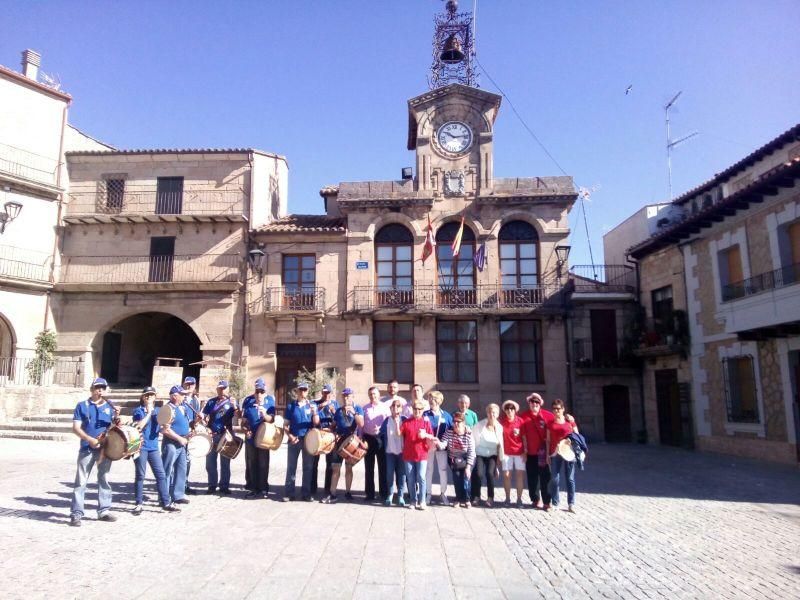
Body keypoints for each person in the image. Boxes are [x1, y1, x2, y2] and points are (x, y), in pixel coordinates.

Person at [69, 377, 119, 526]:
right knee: (81, 481)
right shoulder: (82, 406)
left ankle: (103, 511)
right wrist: (89, 439)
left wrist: (117, 418)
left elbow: (114, 428)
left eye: (103, 388)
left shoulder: (110, 407)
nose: (100, 390)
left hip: (105, 449)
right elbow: (76, 428)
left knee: (104, 479)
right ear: (91, 389)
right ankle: (76, 513)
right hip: (87, 448)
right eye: (97, 387)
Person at [132, 386, 179, 514]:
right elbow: (138, 426)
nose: (149, 397)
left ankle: (166, 502)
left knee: (161, 474)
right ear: (143, 397)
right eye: (147, 395)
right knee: (140, 475)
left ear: (155, 397)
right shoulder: (138, 411)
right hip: (140, 447)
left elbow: (163, 427)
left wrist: (167, 424)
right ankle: (138, 503)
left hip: (153, 448)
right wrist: (148, 413)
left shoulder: (159, 410)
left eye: (151, 395)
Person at [323, 387, 364, 503]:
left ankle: (348, 492)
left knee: (349, 468)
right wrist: (330, 431)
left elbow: (361, 424)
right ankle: (332, 493)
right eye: (344, 396)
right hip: (339, 442)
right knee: (335, 468)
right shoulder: (338, 410)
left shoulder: (358, 409)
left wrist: (353, 412)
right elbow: (334, 425)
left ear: (352, 397)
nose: (346, 398)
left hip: (352, 442)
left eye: (348, 395)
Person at [240, 378, 276, 499]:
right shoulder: (248, 400)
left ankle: (264, 488)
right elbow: (243, 421)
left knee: (263, 463)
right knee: (252, 463)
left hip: (264, 437)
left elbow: (272, 419)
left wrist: (264, 414)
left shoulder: (270, 400)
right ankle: (253, 488)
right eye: (257, 391)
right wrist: (246, 429)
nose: (259, 393)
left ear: (265, 389)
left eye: (261, 391)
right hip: (251, 437)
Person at [161, 385, 193, 506]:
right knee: (167, 470)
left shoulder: (182, 408)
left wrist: (195, 424)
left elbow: (186, 423)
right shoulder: (166, 409)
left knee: (181, 469)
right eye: (182, 394)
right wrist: (179, 438)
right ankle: (164, 496)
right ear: (174, 396)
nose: (184, 396)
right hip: (171, 443)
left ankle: (178, 495)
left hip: (182, 442)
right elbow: (165, 430)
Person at [283, 381, 315, 501]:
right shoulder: (291, 406)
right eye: (300, 390)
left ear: (307, 392)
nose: (302, 392)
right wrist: (290, 436)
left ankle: (306, 494)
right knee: (291, 467)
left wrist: (314, 412)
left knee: (308, 467)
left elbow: (316, 423)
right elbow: (285, 425)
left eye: (305, 390)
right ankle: (289, 493)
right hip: (294, 440)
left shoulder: (311, 406)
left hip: (308, 440)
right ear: (297, 391)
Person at [546, 399, 580, 513]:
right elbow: (548, 440)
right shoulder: (550, 423)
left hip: (568, 453)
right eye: (555, 409)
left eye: (559, 409)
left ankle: (571, 504)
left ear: (563, 409)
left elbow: (577, 435)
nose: (557, 411)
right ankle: (555, 503)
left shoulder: (569, 422)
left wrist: (573, 422)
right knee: (554, 479)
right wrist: (547, 454)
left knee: (570, 478)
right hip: (555, 453)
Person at [202, 380, 236, 495]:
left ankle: (224, 486)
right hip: (212, 435)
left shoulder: (232, 402)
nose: (222, 390)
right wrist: (204, 424)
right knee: (210, 462)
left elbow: (240, 415)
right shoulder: (211, 402)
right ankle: (212, 485)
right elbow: (203, 415)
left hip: (225, 435)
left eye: (224, 388)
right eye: (220, 388)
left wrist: (236, 406)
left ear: (228, 389)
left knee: (225, 462)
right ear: (217, 389)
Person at [521, 393, 554, 509]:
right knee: (532, 477)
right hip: (530, 452)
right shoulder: (523, 417)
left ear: (540, 404)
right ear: (529, 403)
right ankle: (535, 499)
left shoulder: (548, 416)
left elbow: (560, 423)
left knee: (546, 477)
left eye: (537, 402)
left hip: (544, 453)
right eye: (532, 402)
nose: (534, 404)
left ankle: (547, 501)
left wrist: (571, 421)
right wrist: (523, 451)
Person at [400, 400, 434, 510]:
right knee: (410, 478)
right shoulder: (406, 422)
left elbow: (431, 436)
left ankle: (422, 500)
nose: (417, 411)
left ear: (422, 410)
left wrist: (426, 435)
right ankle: (413, 501)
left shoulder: (426, 422)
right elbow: (399, 434)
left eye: (419, 409)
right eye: (415, 409)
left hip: (422, 454)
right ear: (412, 410)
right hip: (408, 454)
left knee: (421, 477)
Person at [470, 403, 504, 507]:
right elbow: (472, 439)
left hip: (492, 455)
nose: (491, 414)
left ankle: (490, 497)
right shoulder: (479, 425)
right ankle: (476, 496)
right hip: (480, 453)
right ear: (487, 413)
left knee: (490, 474)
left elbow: (500, 444)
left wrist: (499, 459)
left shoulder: (499, 427)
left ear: (497, 414)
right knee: (478, 474)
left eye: (494, 412)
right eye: (489, 412)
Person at [423, 390, 453, 506]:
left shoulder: (446, 415)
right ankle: (428, 493)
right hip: (429, 447)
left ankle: (443, 493)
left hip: (441, 447)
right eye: (430, 399)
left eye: (434, 399)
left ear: (440, 401)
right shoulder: (425, 414)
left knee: (443, 470)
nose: (431, 401)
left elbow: (451, 430)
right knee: (428, 470)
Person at [442, 412, 476, 508]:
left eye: (459, 422)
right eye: (454, 421)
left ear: (464, 423)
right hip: (454, 459)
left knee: (466, 478)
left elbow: (471, 452)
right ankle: (458, 498)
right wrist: (439, 444)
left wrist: (468, 467)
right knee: (457, 478)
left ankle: (467, 499)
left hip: (467, 458)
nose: (456, 424)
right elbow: (444, 442)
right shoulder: (449, 431)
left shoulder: (469, 434)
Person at [310, 384, 338, 497]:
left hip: (330, 435)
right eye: (325, 393)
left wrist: (334, 411)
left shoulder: (335, 404)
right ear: (322, 393)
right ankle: (312, 488)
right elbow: (312, 418)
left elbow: (339, 419)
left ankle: (327, 488)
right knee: (314, 463)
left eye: (329, 393)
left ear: (331, 393)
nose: (327, 395)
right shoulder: (315, 403)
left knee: (330, 463)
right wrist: (321, 406)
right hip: (318, 434)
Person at [362, 385, 388, 503]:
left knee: (383, 467)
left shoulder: (385, 407)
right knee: (369, 467)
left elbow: (389, 423)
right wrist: (361, 439)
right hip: (368, 439)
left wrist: (383, 432)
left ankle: (383, 493)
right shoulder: (364, 408)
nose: (373, 396)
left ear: (379, 395)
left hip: (381, 439)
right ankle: (370, 493)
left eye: (375, 394)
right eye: (371, 394)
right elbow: (361, 425)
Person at [379, 398, 406, 506]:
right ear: (390, 408)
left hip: (402, 452)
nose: (395, 408)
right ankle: (390, 494)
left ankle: (400, 495)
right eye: (393, 406)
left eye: (398, 406)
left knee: (402, 474)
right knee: (389, 474)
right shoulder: (386, 420)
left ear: (401, 408)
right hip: (389, 452)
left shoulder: (404, 419)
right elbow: (381, 433)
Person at [499, 399, 526, 506]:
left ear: (515, 410)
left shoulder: (520, 421)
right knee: (506, 475)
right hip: (506, 452)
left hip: (519, 452)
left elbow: (524, 437)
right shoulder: (501, 422)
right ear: (505, 411)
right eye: (507, 409)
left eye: (512, 409)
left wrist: (525, 451)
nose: (509, 411)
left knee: (519, 475)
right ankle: (507, 499)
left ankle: (519, 499)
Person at [182, 376, 201, 495]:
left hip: (189, 433)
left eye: (191, 384)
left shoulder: (196, 401)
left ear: (195, 386)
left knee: (187, 460)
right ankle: (174, 485)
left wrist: (197, 421)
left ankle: (184, 484)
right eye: (187, 384)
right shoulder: (179, 398)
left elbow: (194, 420)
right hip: (179, 433)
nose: (189, 387)